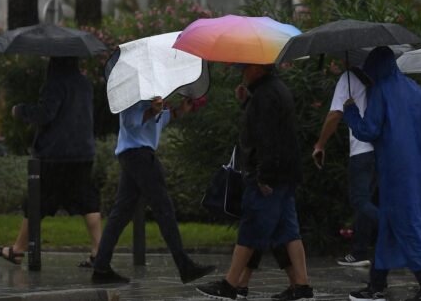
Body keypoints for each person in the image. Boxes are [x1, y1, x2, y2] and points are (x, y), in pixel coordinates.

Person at [197, 64, 313, 301]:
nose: (242, 72)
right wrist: (246, 100)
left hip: (270, 176)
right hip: (286, 174)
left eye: (246, 68)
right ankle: (301, 286)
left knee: (251, 228)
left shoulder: (264, 96)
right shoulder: (275, 90)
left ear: (258, 69)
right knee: (288, 231)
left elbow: (267, 139)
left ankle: (230, 284)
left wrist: (264, 176)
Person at [343, 47, 421, 301]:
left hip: (395, 171)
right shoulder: (415, 88)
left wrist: (351, 113)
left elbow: (369, 131)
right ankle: (376, 285)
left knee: (406, 225)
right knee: (391, 228)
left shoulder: (381, 90)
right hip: (418, 169)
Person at [91, 95, 216, 284]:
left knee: (121, 214)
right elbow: (130, 122)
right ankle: (185, 266)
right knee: (164, 209)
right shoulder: (132, 91)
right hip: (139, 155)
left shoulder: (151, 90)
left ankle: (101, 268)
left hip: (134, 155)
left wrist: (179, 110)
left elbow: (156, 123)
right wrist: (151, 111)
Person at [0, 56, 102, 268]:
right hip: (83, 152)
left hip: (56, 154)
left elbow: (45, 114)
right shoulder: (84, 83)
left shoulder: (55, 83)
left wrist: (21, 110)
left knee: (36, 200)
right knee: (87, 200)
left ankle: (18, 250)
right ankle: (99, 252)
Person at [313, 66, 377, 267]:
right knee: (372, 201)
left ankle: (391, 233)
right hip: (382, 148)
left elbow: (335, 114)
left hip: (361, 149)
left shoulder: (348, 77)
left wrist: (320, 144)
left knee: (360, 201)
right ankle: (364, 249)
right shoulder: (377, 76)